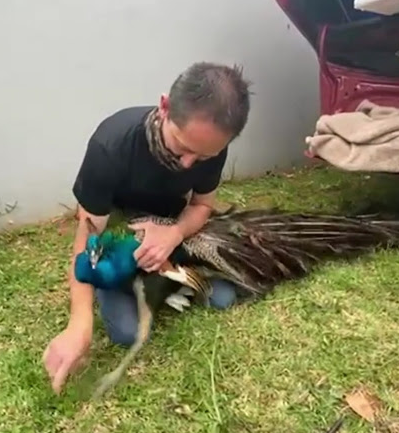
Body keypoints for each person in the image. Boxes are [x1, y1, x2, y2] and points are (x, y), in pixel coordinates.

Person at [43, 62, 252, 394]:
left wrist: (172, 234)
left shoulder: (212, 143)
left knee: (223, 298)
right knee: (126, 332)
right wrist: (79, 323)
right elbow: (88, 235)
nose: (188, 164)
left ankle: (161, 285)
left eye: (202, 157)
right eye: (183, 147)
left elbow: (201, 205)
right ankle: (123, 286)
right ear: (165, 107)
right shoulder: (110, 146)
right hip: (120, 233)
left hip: (171, 226)